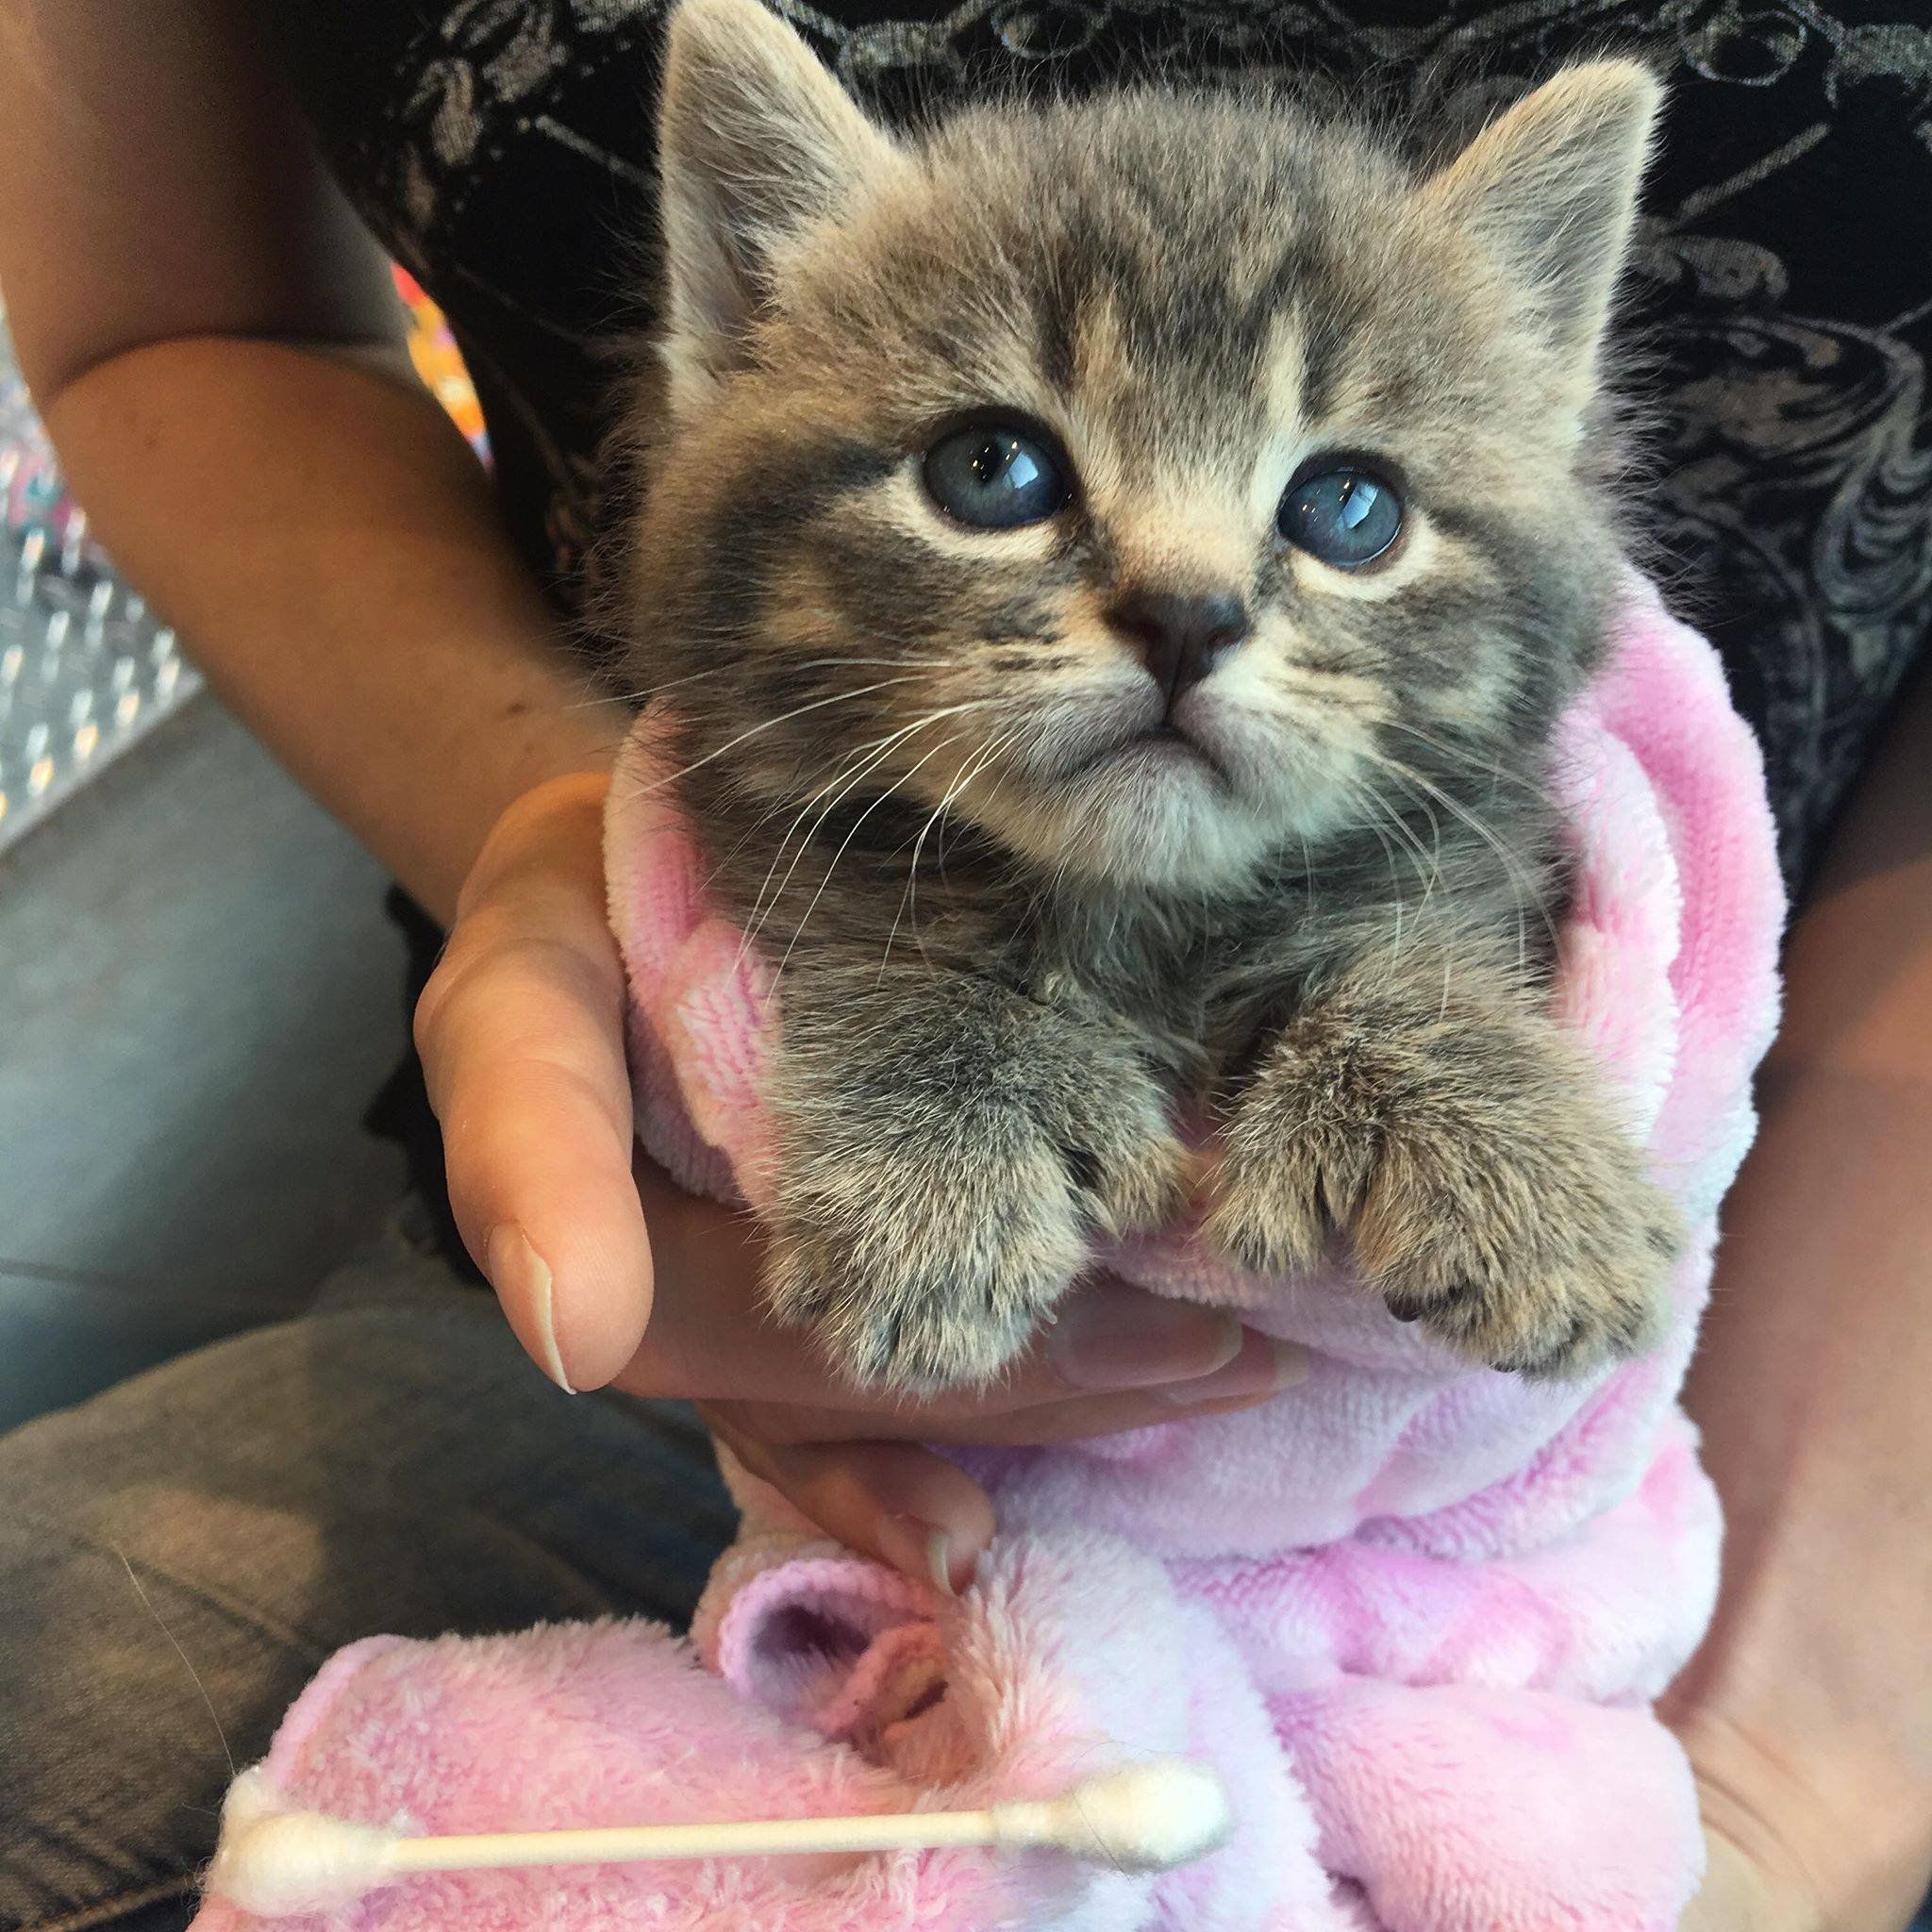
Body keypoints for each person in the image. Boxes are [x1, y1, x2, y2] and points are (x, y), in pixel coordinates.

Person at [1, 5, 1928, 1929]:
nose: (1185, 595)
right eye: (1000, 468)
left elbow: (1525, 921)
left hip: (1812, 1422)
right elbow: (185, 321)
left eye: (1337, 507)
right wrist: (695, 939)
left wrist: (1776, 1783)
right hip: (607, 1301)